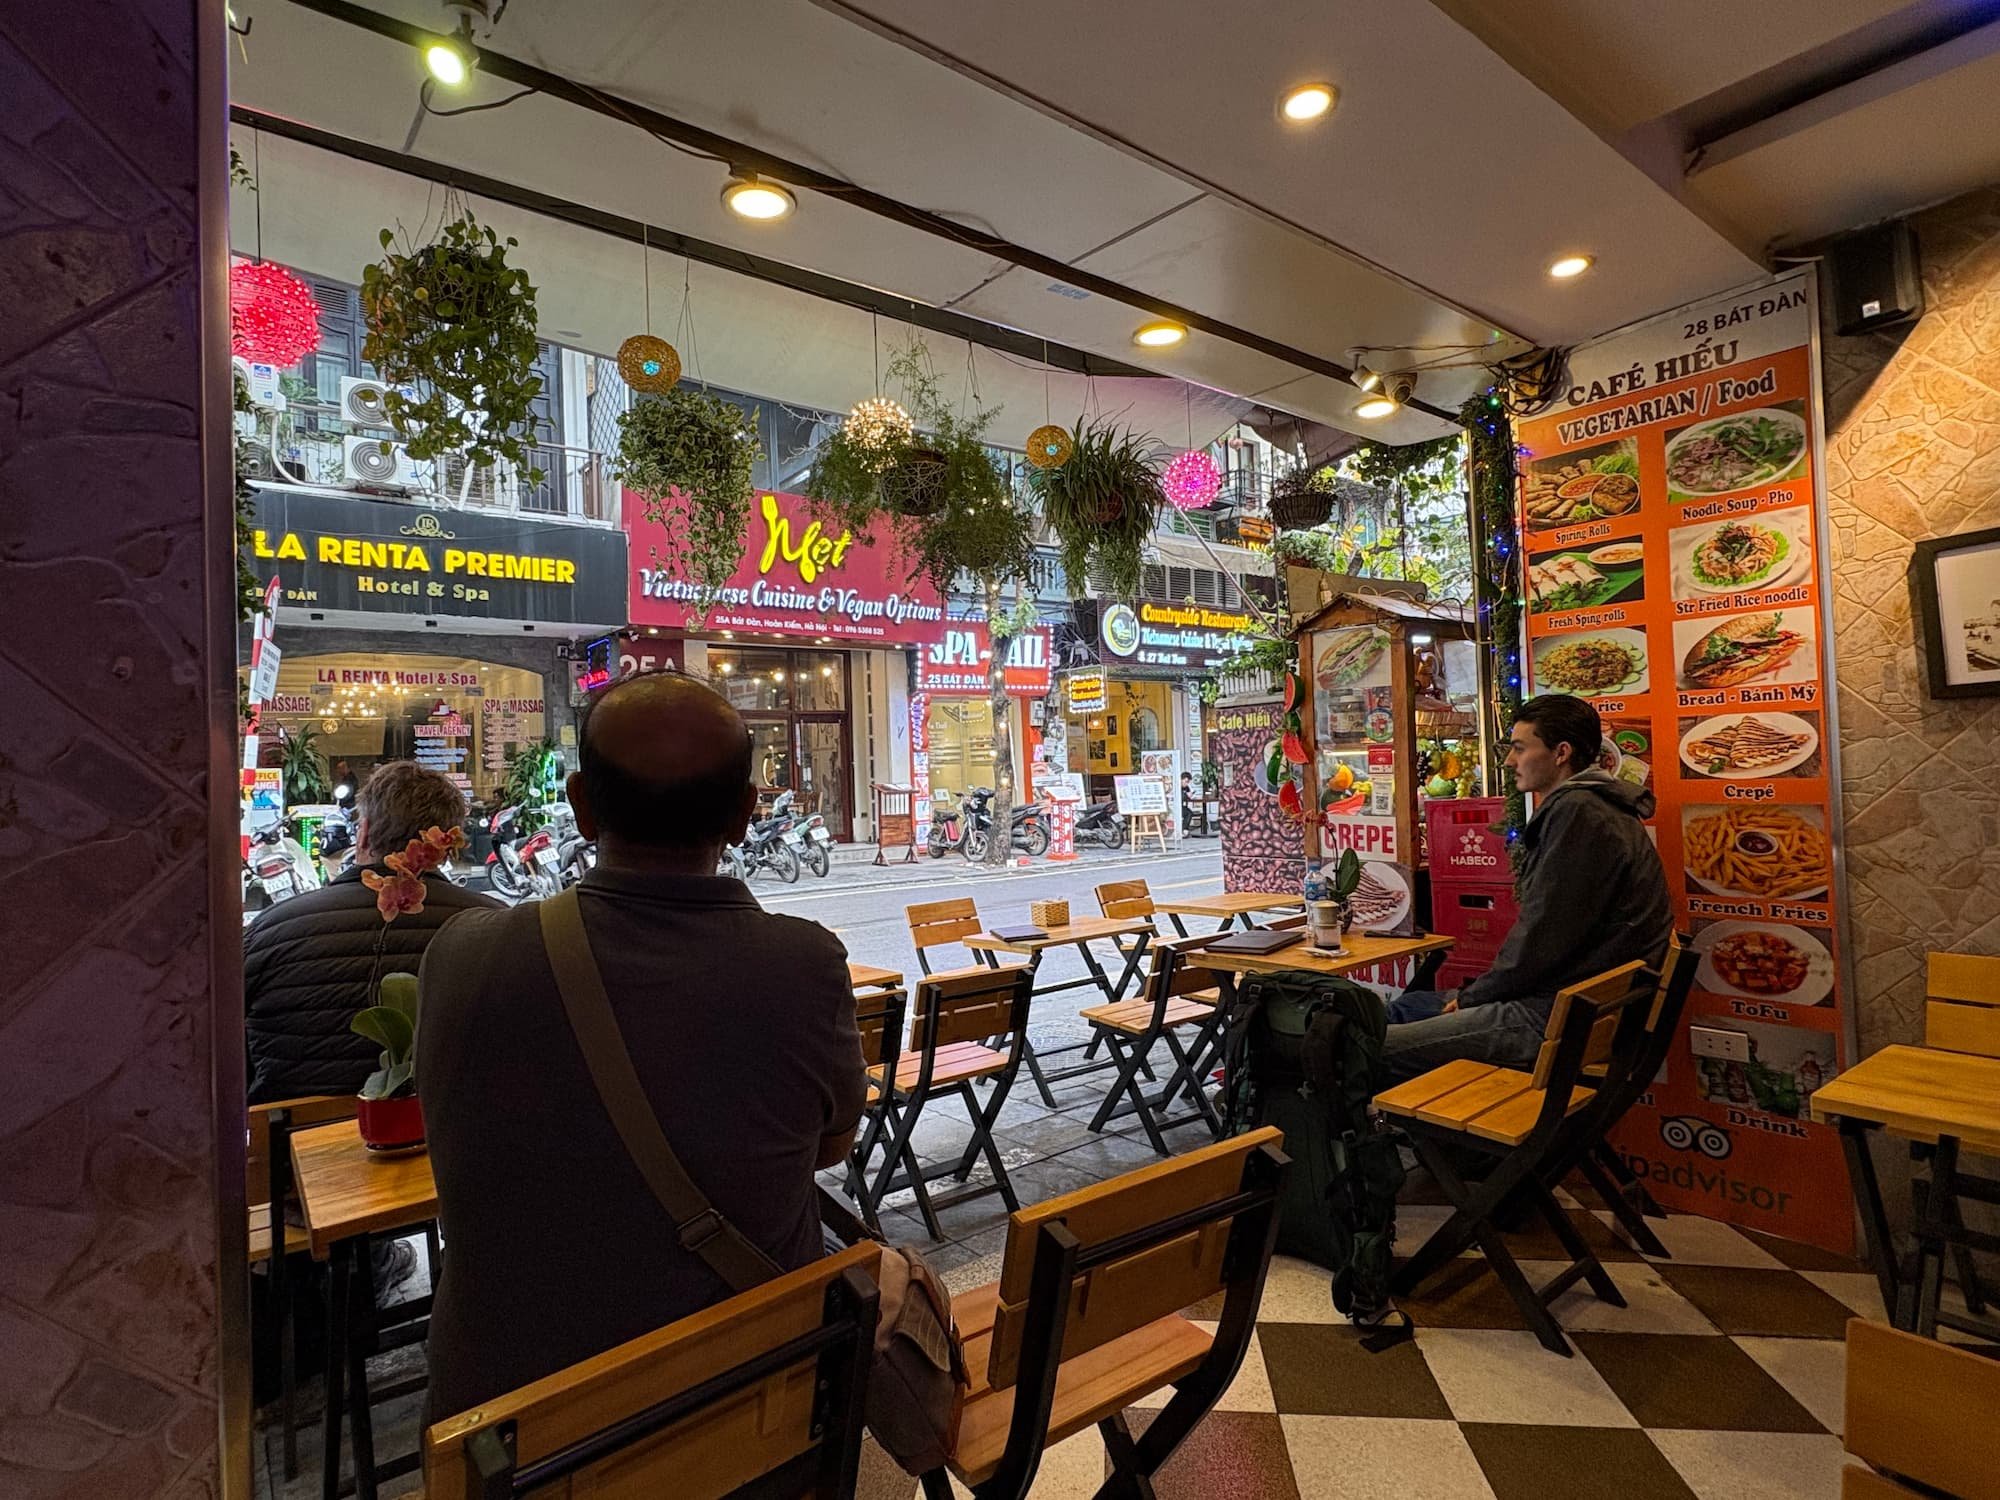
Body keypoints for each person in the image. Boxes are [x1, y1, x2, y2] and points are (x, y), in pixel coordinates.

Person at [419, 672, 865, 1418]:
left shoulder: (462, 957)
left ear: (582, 807)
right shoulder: (805, 965)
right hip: (749, 1406)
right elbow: (830, 1145)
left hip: (514, 1433)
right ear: (744, 817)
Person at [1380, 695, 1671, 1083]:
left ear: (1560, 753)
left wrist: (1472, 998)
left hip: (1552, 1017)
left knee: (1367, 1050)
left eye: (1519, 748)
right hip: (1577, 1004)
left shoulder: (1579, 813)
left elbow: (1541, 937)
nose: (1508, 761)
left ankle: (1407, 1140)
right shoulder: (1596, 806)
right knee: (1402, 1008)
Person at [243, 760, 494, 1104]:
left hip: (294, 1145)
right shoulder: (496, 927)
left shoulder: (269, 931)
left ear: (362, 832)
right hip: (446, 1142)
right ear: (448, 845)